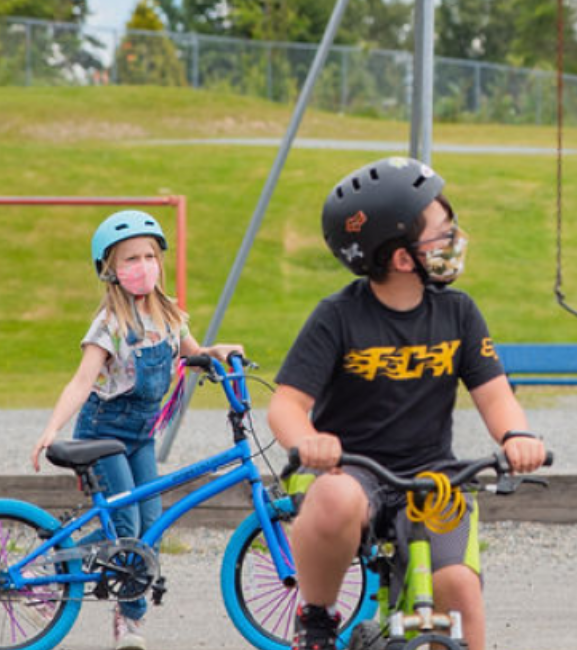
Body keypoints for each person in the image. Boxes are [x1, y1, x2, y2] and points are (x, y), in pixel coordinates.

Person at [270, 156, 548, 650]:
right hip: (353, 472)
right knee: (333, 497)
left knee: (458, 588)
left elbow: (494, 392)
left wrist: (516, 436)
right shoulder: (338, 317)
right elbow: (286, 405)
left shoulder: (459, 312)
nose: (457, 239)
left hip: (432, 477)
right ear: (402, 258)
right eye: (444, 233)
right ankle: (316, 615)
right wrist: (309, 442)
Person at [29, 209, 241, 650]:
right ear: (110, 270)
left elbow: (192, 353)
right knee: (124, 524)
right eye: (131, 259)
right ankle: (46, 574)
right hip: (102, 436)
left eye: (150, 255)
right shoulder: (109, 326)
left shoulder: (169, 316)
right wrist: (52, 429)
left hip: (141, 437)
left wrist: (216, 353)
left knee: (150, 528)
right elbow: (82, 380)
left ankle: (129, 620)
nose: (143, 265)